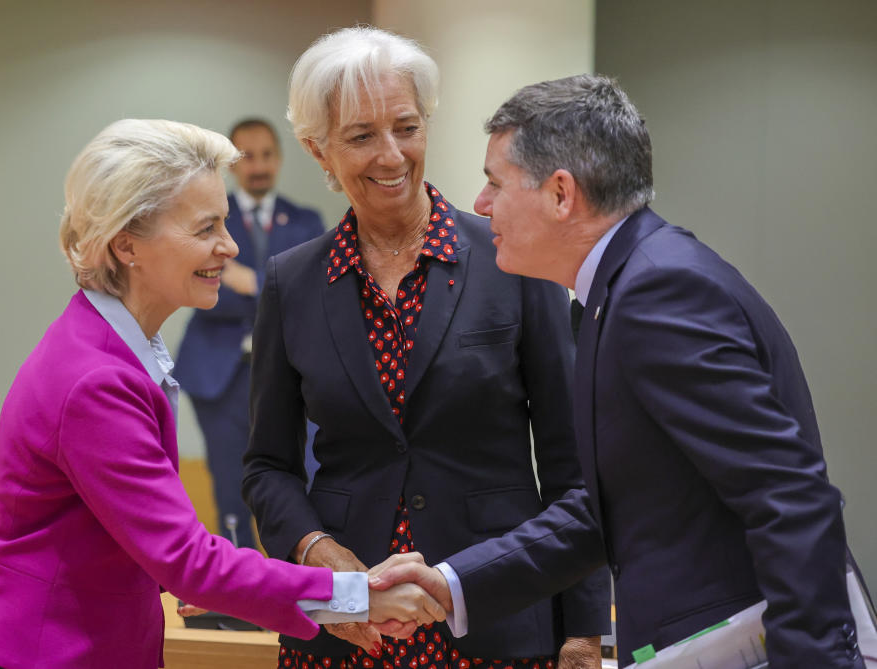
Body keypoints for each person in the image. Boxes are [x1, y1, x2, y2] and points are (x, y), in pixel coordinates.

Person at [371, 75, 871, 667]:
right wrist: (452, 583)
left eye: (495, 183)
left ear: (561, 194)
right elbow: (605, 507)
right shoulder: (621, 291)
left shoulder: (659, 292)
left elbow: (789, 495)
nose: (480, 204)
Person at [0, 119, 444, 669]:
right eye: (206, 228)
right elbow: (186, 558)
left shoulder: (106, 345)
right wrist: (357, 597)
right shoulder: (96, 380)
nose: (229, 247)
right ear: (126, 244)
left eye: (226, 224)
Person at [242, 27, 610, 669]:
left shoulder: (513, 259)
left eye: (406, 127)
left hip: (498, 616)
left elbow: (570, 461)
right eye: (361, 136)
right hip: (349, 622)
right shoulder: (292, 282)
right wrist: (317, 552)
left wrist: (583, 631)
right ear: (318, 150)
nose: (391, 154)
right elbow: (267, 466)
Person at [175, 117, 325, 546]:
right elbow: (202, 292)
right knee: (230, 486)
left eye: (266, 155)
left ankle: (298, 590)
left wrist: (252, 282)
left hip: (288, 375)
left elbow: (308, 296)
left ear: (278, 159)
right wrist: (267, 288)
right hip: (221, 376)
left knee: (306, 480)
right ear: (232, 166)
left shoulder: (305, 222)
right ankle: (235, 597)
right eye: (247, 157)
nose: (258, 166)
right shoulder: (206, 222)